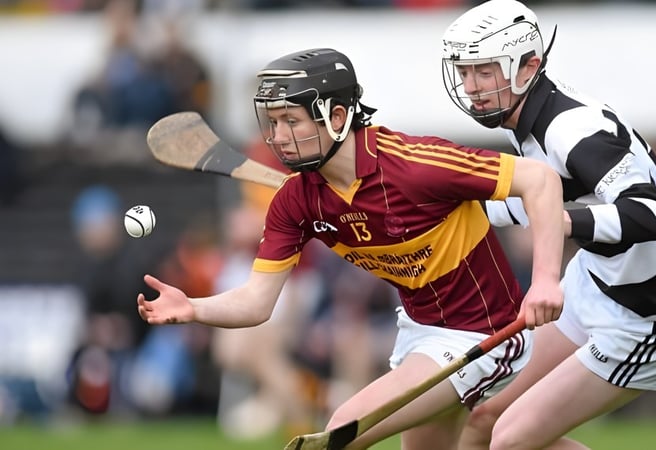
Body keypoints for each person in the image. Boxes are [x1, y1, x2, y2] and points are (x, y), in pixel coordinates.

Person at [136, 47, 566, 449]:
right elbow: (256, 302)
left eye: (291, 121)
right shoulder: (295, 200)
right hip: (420, 331)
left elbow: (540, 180)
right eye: (273, 122)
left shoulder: (414, 165)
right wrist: (193, 307)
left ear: (337, 116)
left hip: (486, 332)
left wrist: (545, 280)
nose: (278, 137)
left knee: (343, 429)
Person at [439, 1, 656, 449]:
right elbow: (544, 199)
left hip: (652, 311)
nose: (471, 87)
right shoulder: (524, 115)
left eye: (484, 72)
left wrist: (558, 222)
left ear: (528, 67)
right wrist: (442, 209)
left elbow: (654, 214)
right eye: (465, 72)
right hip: (595, 281)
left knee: (509, 439)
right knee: (483, 418)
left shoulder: (572, 129)